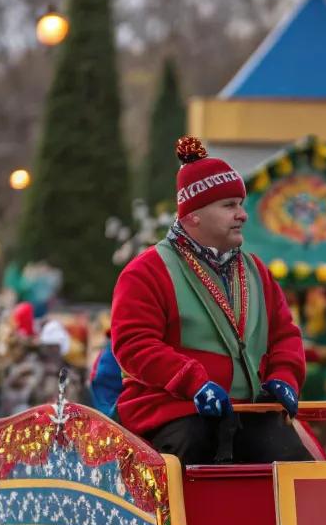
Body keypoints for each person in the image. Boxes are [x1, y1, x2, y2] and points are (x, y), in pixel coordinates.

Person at [111, 136, 309, 464]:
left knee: (291, 463)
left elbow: (285, 334)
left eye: (241, 205)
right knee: (193, 448)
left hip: (250, 410)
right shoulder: (146, 271)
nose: (242, 215)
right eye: (229, 205)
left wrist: (284, 377)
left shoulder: (257, 271)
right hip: (172, 412)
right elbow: (134, 344)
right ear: (193, 216)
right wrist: (195, 384)